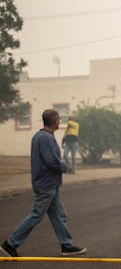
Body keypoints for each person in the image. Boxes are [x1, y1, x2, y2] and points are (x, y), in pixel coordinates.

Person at [1, 109, 87, 258]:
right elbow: (51, 161)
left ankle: (66, 245)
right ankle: (10, 244)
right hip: (46, 185)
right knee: (36, 215)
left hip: (50, 184)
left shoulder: (41, 136)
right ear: (55, 121)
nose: (60, 121)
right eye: (59, 119)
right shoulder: (45, 138)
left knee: (59, 215)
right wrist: (65, 167)